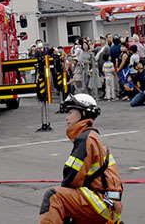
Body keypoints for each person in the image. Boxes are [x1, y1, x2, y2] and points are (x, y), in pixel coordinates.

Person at [38, 94, 123, 224]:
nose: (67, 117)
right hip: (108, 204)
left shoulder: (85, 138)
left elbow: (71, 177)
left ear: (83, 113)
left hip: (100, 204)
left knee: (54, 196)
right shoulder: (93, 136)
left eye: (71, 112)